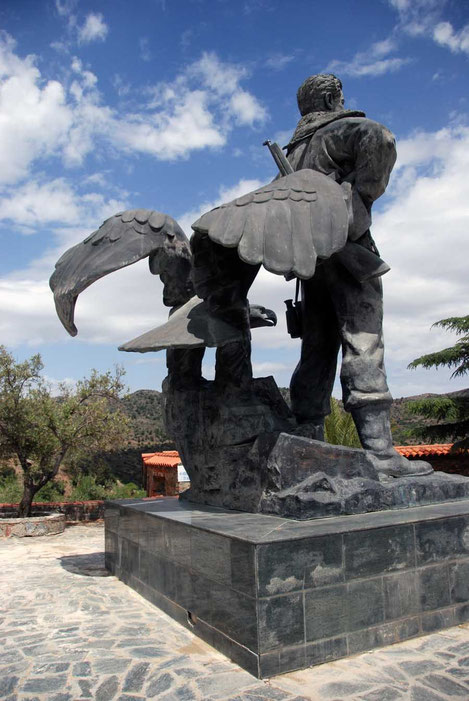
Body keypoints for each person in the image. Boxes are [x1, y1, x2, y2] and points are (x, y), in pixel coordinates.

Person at [286, 73, 432, 477]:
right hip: (347, 253)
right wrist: (358, 200)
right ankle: (380, 453)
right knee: (364, 338)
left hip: (313, 260)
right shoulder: (339, 131)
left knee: (316, 348)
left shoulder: (296, 151)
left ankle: (309, 444)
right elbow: (381, 138)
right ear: (334, 98)